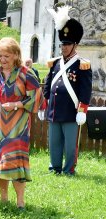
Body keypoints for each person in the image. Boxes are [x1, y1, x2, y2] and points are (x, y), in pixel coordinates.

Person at [0, 37, 44, 209]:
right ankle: (4, 199)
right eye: (0, 55)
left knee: (16, 162)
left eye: (7, 56)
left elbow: (37, 98)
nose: (3, 60)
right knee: (0, 162)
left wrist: (16, 104)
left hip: (17, 127)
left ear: (16, 55)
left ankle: (20, 201)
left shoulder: (26, 74)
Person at [39, 6, 92, 176]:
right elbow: (48, 85)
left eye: (68, 44)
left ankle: (69, 169)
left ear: (75, 45)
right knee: (54, 142)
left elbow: (85, 89)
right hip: (54, 110)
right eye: (63, 44)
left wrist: (82, 109)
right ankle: (54, 167)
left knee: (70, 144)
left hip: (71, 111)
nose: (64, 47)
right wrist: (43, 104)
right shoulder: (54, 64)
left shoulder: (82, 65)